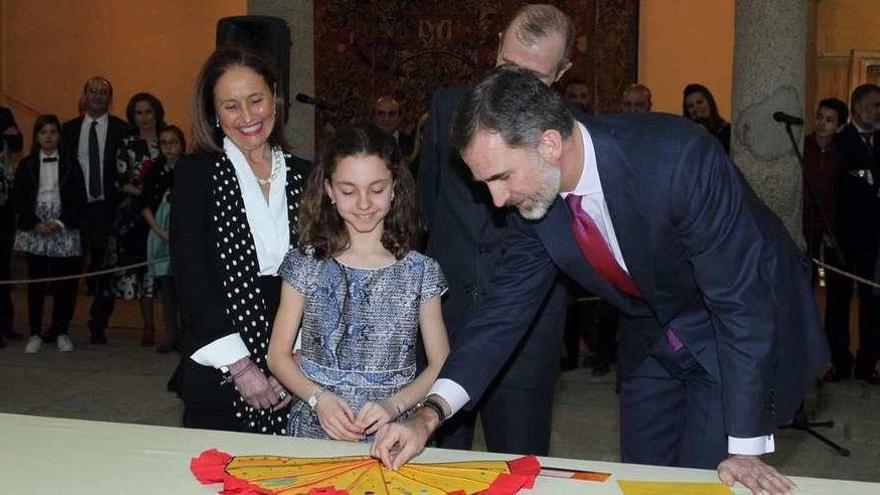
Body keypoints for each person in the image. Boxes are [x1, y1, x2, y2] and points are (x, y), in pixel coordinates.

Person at [374, 67, 829, 495]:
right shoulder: (536, 200)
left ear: (550, 143)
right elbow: (501, 314)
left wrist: (745, 448)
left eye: (501, 177)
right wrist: (428, 415)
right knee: (644, 477)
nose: (496, 200)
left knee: (707, 479)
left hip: (727, 325)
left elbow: (740, 305)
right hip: (650, 331)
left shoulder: (678, 161)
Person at [417, 3, 572, 457]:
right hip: (446, 316)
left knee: (519, 466)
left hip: (529, 330)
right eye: (507, 67)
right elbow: (428, 200)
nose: (513, 87)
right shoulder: (448, 108)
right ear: (497, 47)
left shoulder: (569, 135)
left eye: (534, 78)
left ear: (562, 73)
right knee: (436, 464)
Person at [267, 123, 450, 441]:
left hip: (392, 431)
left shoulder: (421, 272)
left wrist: (394, 405)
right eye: (349, 191)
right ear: (329, 191)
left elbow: (440, 363)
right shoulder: (305, 264)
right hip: (315, 424)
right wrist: (318, 399)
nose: (364, 203)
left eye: (377, 189)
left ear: (394, 188)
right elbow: (277, 355)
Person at [172, 46, 311, 433]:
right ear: (214, 114)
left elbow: (324, 276)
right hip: (219, 361)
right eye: (231, 106)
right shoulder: (194, 175)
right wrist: (242, 367)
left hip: (301, 368)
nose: (248, 117)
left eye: (256, 100)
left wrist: (296, 358)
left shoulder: (308, 175)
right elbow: (192, 277)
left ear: (275, 99)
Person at [62, 76, 130, 345]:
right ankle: (61, 325)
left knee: (105, 270)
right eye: (93, 91)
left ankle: (98, 322)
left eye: (103, 92)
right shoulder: (68, 129)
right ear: (84, 95)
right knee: (70, 267)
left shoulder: (121, 130)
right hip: (76, 209)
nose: (98, 96)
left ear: (109, 98)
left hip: (108, 207)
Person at [13, 115, 86, 353]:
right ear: (36, 136)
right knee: (36, 282)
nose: (48, 136)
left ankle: (61, 331)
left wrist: (59, 222)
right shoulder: (27, 164)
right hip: (36, 226)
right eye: (43, 132)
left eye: (53, 132)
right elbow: (20, 199)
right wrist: (35, 223)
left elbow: (78, 199)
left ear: (60, 136)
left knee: (64, 283)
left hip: (62, 226)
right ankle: (34, 332)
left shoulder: (71, 164)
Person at [824, 84, 880, 385]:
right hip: (843, 235)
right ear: (858, 108)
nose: (878, 111)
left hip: (876, 237)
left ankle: (868, 363)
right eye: (875, 105)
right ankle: (840, 361)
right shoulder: (839, 141)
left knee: (873, 303)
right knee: (838, 301)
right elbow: (833, 186)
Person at [107, 92, 166, 346]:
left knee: (161, 270)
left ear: (157, 113)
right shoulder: (127, 144)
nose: (143, 117)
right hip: (133, 216)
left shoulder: (166, 140)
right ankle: (148, 325)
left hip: (164, 212)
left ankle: (170, 328)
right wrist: (147, 194)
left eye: (148, 112)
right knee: (141, 271)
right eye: (138, 112)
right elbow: (119, 181)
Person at [142, 125, 185, 353]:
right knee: (166, 289)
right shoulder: (154, 170)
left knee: (184, 290)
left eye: (173, 142)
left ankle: (189, 336)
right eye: (165, 143)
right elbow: (145, 204)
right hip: (161, 235)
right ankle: (170, 334)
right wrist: (160, 231)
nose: (169, 147)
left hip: (184, 236)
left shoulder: (189, 168)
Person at [801, 98, 847, 282]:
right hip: (802, 222)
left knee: (819, 277)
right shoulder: (803, 146)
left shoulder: (840, 154)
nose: (822, 124)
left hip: (826, 224)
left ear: (839, 126)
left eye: (829, 120)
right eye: (820, 117)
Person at [0, 105, 23, 346]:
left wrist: (8, 133)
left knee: (2, 266)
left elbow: (17, 141)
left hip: (3, 205)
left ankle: (5, 323)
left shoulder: (4, 113)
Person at [683, 83, 731, 154]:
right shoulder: (685, 136)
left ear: (710, 103)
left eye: (700, 102)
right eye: (690, 106)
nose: (696, 108)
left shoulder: (727, 131)